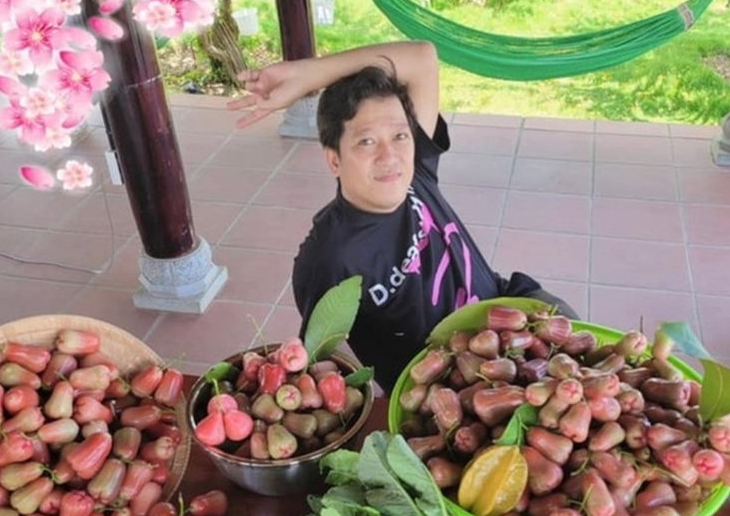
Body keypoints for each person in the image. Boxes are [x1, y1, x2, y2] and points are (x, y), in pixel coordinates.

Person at [228, 40, 576, 394]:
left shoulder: (418, 172)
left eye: (399, 136)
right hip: (448, 391)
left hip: (512, 318)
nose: (389, 156)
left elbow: (422, 58)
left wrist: (308, 74)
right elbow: (318, 363)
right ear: (334, 160)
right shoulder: (330, 257)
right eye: (366, 142)